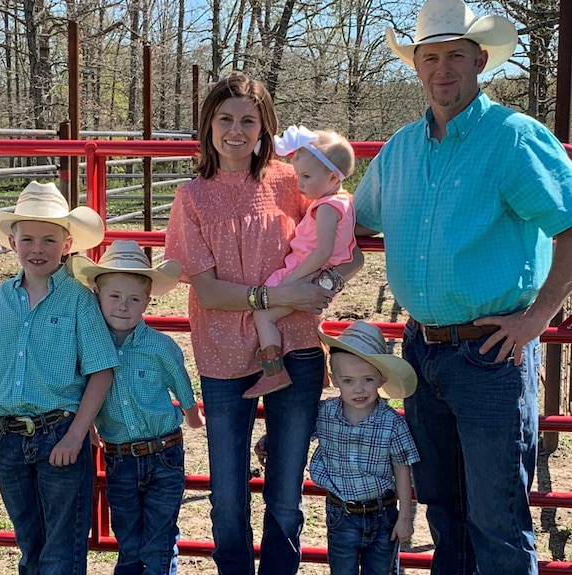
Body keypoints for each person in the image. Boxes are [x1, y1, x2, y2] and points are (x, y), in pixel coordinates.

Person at [354, 0, 572, 573]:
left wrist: (537, 318)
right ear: (417, 66)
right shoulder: (400, 149)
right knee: (443, 511)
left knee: (497, 519)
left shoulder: (514, 139)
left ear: (480, 60)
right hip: (421, 350)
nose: (442, 69)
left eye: (456, 55)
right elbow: (351, 221)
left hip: (490, 354)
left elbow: (571, 226)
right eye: (431, 57)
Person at [163, 72, 363, 575]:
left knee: (286, 495)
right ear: (208, 124)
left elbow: (345, 247)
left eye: (247, 120)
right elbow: (206, 289)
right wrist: (276, 294)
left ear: (264, 127)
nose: (236, 130)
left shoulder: (293, 180)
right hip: (223, 352)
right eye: (225, 118)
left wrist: (329, 284)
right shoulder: (193, 195)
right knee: (228, 495)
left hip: (294, 345)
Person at [0, 181, 119, 575]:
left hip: (58, 434)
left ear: (67, 245)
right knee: (30, 545)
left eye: (49, 239)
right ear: (11, 242)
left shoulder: (80, 298)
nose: (37, 249)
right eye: (27, 238)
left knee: (61, 551)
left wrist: (76, 435)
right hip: (9, 440)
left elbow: (101, 370)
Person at [67, 239, 206, 574]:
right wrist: (86, 424)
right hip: (119, 458)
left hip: (163, 454)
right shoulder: (86, 346)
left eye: (133, 299)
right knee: (129, 542)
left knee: (157, 542)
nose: (123, 306)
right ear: (97, 295)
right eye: (114, 296)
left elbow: (179, 380)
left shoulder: (161, 346)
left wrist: (191, 414)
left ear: (147, 300)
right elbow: (78, 390)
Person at [257, 321, 419, 575]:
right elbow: (295, 435)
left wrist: (405, 517)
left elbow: (401, 467)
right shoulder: (324, 414)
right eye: (348, 380)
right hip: (341, 514)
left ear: (381, 378)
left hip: (383, 513)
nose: (359, 389)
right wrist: (271, 441)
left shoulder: (392, 423)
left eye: (367, 379)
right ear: (334, 380)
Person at [245, 126, 357, 399]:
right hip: (313, 271)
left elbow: (322, 251)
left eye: (306, 177)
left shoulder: (327, 208)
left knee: (263, 313)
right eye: (299, 176)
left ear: (332, 177)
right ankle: (319, 373)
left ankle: (273, 372)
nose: (300, 184)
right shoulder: (343, 202)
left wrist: (291, 281)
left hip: (304, 270)